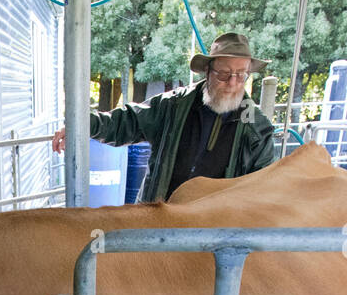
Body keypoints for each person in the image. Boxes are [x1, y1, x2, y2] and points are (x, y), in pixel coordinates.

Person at [52, 32, 277, 203]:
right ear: (208, 71)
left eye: (241, 75)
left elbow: (260, 195)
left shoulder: (258, 131)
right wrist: (81, 126)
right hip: (158, 223)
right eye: (224, 73)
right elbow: (126, 121)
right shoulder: (173, 106)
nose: (232, 83)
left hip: (214, 239)